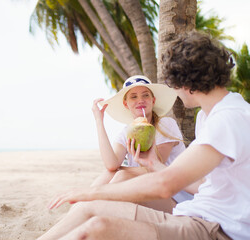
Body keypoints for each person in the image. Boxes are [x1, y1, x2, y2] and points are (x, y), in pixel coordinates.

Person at [37, 30, 250, 240]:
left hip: (215, 229)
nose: (174, 90)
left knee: (94, 227)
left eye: (173, 84)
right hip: (197, 215)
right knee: (90, 212)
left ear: (185, 81)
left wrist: (89, 192)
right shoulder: (210, 116)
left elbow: (164, 186)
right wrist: (153, 163)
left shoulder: (227, 119)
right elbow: (203, 184)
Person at [90, 75, 193, 212]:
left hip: (175, 200)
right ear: (126, 104)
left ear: (153, 100)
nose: (140, 100)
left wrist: (120, 171)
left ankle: (92, 212)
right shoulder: (126, 132)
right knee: (108, 175)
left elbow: (153, 167)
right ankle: (82, 213)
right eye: (133, 97)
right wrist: (99, 121)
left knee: (121, 175)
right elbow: (111, 164)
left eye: (145, 95)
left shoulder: (165, 124)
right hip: (148, 192)